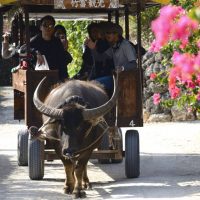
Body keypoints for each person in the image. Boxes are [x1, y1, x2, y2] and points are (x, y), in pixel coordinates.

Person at [21, 15, 68, 80]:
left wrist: (65, 78)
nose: (47, 28)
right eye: (45, 25)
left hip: (55, 75)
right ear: (41, 27)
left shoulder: (57, 42)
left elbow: (62, 62)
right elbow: (22, 49)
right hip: (38, 76)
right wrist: (36, 52)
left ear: (53, 29)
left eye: (50, 26)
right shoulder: (35, 40)